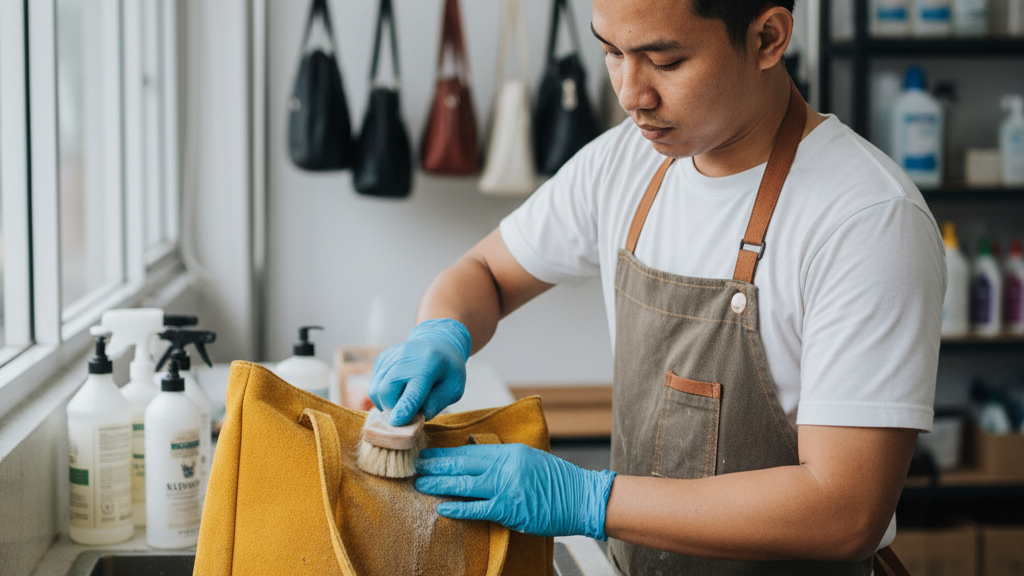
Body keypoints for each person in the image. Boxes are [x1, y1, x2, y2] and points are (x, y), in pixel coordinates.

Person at [368, 0, 945, 573]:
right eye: (612, 53)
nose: (629, 94)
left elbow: (845, 511)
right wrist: (440, 332)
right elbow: (486, 274)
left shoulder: (866, 218)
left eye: (665, 62)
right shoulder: (624, 162)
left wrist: (589, 500)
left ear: (768, 38)